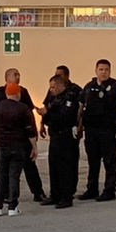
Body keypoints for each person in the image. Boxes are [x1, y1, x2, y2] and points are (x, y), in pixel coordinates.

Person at [0, 68, 48, 203]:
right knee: (5, 170)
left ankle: (38, 192)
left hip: (22, 137)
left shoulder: (23, 91)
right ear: (7, 78)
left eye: (19, 74)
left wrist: (34, 133)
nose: (18, 77)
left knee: (30, 165)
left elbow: (29, 113)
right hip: (4, 139)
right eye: (15, 75)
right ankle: (6, 195)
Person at [77, 59, 116, 202]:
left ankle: (109, 190)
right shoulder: (89, 86)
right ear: (96, 70)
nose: (103, 72)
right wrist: (78, 126)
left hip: (108, 130)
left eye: (106, 69)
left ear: (110, 71)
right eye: (101, 69)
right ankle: (92, 189)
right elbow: (81, 107)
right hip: (92, 130)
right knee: (93, 161)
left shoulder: (115, 87)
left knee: (109, 161)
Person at [0, 82, 37, 216]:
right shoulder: (23, 108)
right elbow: (30, 131)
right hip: (18, 147)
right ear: (18, 94)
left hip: (1, 146)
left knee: (0, 176)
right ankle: (12, 207)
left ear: (7, 93)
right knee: (14, 176)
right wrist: (34, 147)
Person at [41, 74, 81, 208]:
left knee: (65, 168)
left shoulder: (69, 98)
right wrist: (45, 116)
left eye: (53, 87)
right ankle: (55, 195)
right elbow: (48, 119)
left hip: (66, 136)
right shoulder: (54, 99)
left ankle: (66, 197)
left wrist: (48, 114)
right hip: (55, 136)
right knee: (54, 166)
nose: (51, 90)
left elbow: (65, 117)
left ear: (60, 86)